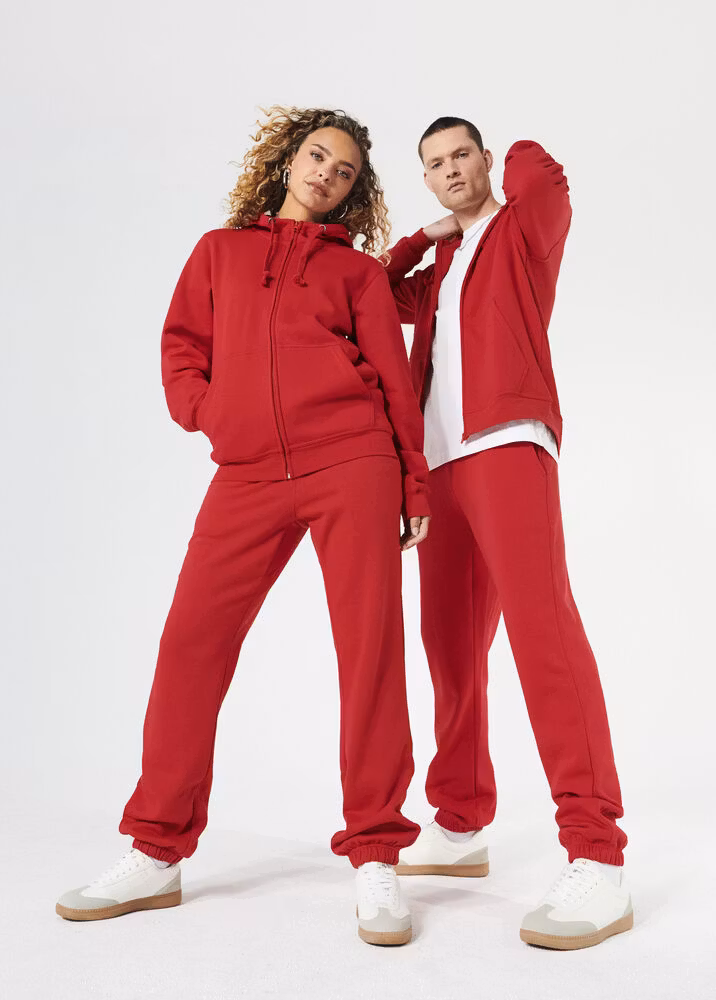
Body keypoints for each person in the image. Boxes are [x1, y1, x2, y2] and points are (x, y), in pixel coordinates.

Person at [56, 106, 432, 947]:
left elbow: (395, 382)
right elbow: (181, 347)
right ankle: (155, 849)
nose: (326, 174)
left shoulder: (357, 274)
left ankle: (377, 853)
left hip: (354, 462)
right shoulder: (219, 253)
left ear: (353, 192)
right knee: (191, 644)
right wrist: (210, 410)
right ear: (288, 160)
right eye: (318, 156)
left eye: (344, 171)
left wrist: (414, 483)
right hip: (248, 473)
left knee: (369, 654)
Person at [382, 117, 632, 950]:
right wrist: (427, 236)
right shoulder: (442, 266)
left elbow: (542, 175)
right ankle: (460, 822)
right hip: (439, 465)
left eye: (462, 155)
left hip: (507, 445)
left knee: (541, 634)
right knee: (449, 647)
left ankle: (597, 854)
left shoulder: (523, 233)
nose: (451, 170)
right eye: (435, 164)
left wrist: (497, 174)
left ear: (486, 160)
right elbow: (370, 294)